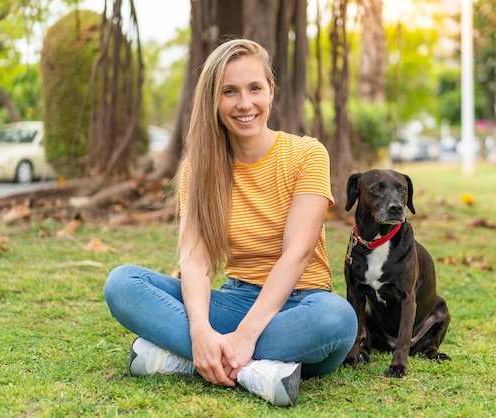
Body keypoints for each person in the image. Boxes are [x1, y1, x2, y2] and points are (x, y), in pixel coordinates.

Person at [103, 38, 358, 407]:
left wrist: (245, 336)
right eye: (229, 91)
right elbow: (195, 262)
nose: (244, 103)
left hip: (302, 308)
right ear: (214, 100)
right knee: (122, 283)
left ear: (271, 90)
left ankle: (186, 360)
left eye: (255, 88)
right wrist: (200, 329)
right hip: (235, 300)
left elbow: (298, 254)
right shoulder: (199, 167)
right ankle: (254, 371)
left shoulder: (307, 154)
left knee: (338, 319)